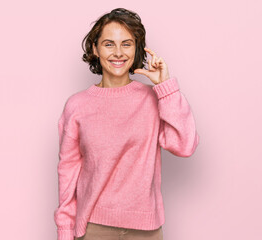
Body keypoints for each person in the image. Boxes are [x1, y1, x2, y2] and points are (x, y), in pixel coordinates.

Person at [54, 8, 200, 240]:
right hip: (94, 228)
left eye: (127, 44)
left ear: (136, 48)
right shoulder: (77, 105)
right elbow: (68, 172)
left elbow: (184, 146)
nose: (118, 53)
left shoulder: (154, 98)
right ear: (95, 48)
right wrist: (64, 230)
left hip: (146, 230)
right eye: (109, 44)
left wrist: (167, 88)